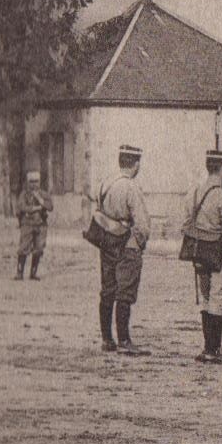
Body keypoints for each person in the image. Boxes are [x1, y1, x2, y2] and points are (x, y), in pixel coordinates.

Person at [87, 144, 151, 355]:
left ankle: (107, 339)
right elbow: (141, 223)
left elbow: (96, 208)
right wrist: (140, 243)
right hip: (127, 242)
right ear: (135, 164)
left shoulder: (105, 182)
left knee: (108, 289)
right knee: (125, 291)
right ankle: (124, 340)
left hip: (106, 241)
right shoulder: (131, 187)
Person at [184, 150, 222, 364]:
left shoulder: (194, 193)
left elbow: (186, 226)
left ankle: (208, 348)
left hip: (200, 255)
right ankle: (213, 350)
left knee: (207, 299)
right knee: (219, 299)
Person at [15, 170, 54, 281]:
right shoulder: (24, 194)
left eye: (36, 181)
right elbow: (22, 207)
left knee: (39, 248)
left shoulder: (44, 194)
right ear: (27, 182)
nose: (34, 184)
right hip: (27, 224)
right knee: (23, 248)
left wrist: (41, 201)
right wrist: (35, 208)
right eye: (31, 181)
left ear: (39, 182)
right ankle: (19, 273)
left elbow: (50, 207)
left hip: (41, 225)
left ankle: (33, 273)